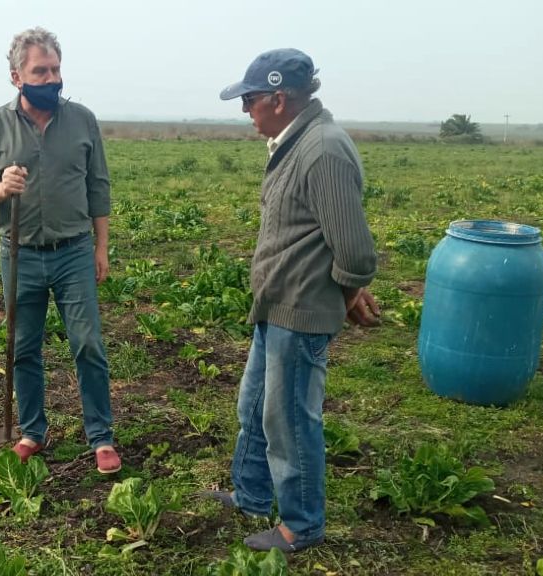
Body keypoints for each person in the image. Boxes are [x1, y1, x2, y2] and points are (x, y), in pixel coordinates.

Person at [204, 48, 380, 553]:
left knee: (291, 421)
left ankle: (301, 525)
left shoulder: (322, 150)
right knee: (256, 406)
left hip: (301, 311)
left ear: (279, 99)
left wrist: (346, 292)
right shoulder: (295, 141)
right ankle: (253, 495)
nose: (246, 109)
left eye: (251, 99)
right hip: (276, 304)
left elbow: (355, 250)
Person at [0, 27, 120, 474]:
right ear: (17, 77)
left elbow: (98, 187)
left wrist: (101, 247)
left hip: (74, 251)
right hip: (20, 252)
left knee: (87, 343)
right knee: (23, 346)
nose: (51, 78)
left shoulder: (83, 120)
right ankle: (33, 431)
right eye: (40, 71)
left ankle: (101, 437)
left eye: (55, 69)